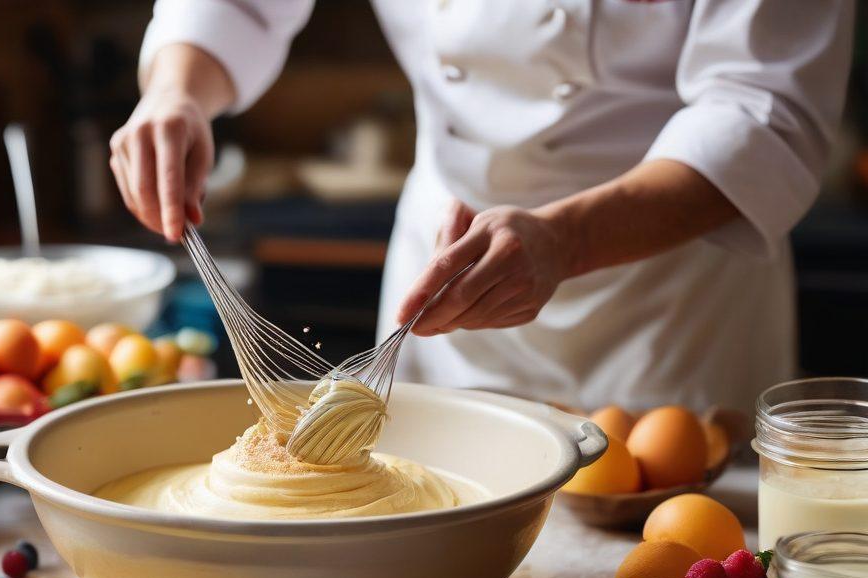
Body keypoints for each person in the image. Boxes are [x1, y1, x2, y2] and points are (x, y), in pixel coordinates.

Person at [110, 1, 853, 411]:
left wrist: (569, 239)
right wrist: (178, 90)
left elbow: (763, 109)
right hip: (448, 253)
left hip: (668, 289)